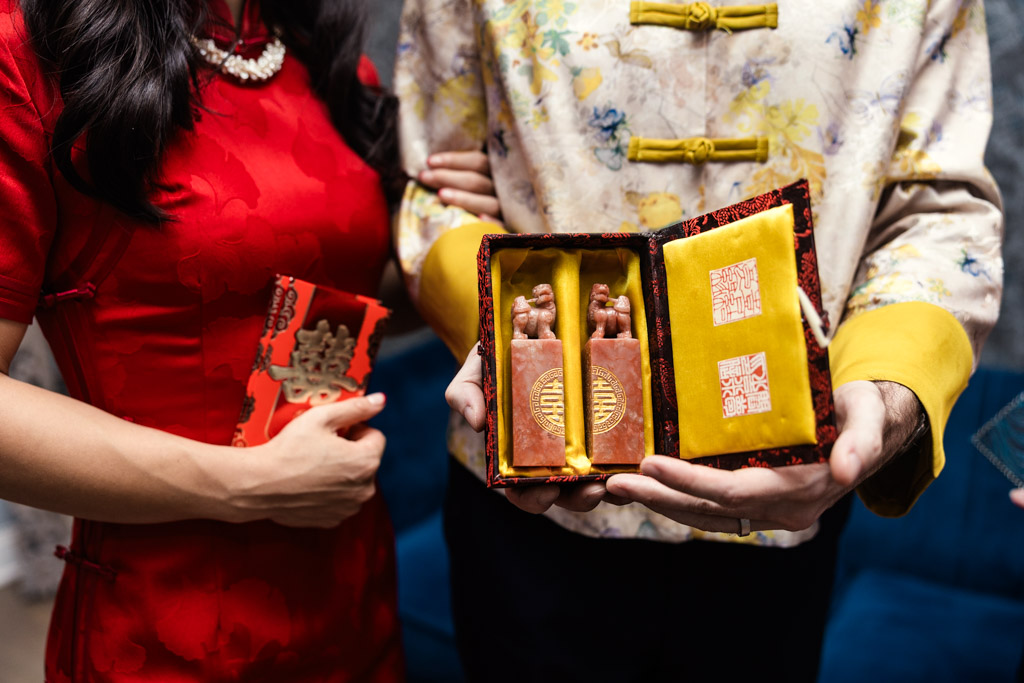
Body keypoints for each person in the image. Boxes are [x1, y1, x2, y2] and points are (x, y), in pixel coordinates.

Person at [393, 0, 1003, 679]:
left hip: (785, 480)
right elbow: (438, 187)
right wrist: (503, 313)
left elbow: (936, 213)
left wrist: (885, 383)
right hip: (529, 494)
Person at [0, 0, 494, 680]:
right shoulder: (30, 52)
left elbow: (344, 292)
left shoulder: (315, 52)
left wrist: (443, 212)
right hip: (166, 626)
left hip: (351, 589)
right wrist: (246, 484)